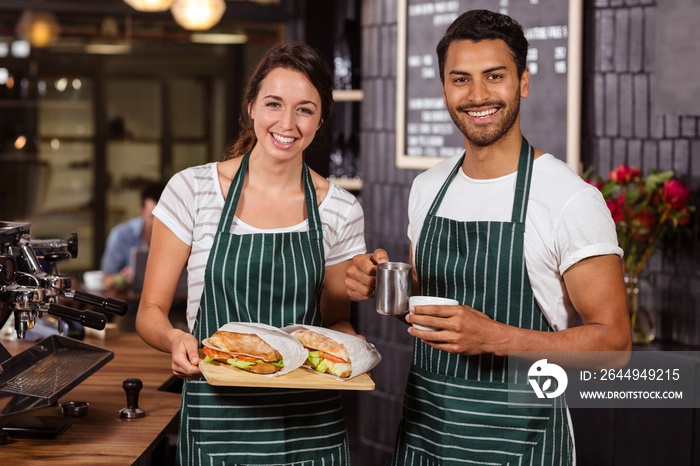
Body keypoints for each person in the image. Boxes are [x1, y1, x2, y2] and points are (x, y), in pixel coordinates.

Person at [345, 9, 631, 465]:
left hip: (522, 443)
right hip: (426, 435)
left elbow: (613, 346)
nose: (477, 95)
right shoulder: (428, 187)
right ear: (443, 89)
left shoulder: (569, 198)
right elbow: (431, 310)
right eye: (461, 79)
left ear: (523, 82)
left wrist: (495, 337)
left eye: (494, 76)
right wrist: (383, 287)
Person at [136, 41, 366, 465]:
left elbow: (335, 321)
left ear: (321, 120)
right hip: (218, 417)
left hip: (309, 427)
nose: (287, 122)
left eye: (305, 109)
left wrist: (352, 345)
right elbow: (150, 309)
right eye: (274, 104)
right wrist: (175, 338)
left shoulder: (340, 208)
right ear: (251, 107)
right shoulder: (192, 190)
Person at [100, 181, 165, 290]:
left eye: (163, 219)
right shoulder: (121, 234)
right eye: (152, 217)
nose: (156, 224)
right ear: (142, 210)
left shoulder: (178, 234)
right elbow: (105, 279)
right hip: (131, 304)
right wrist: (121, 278)